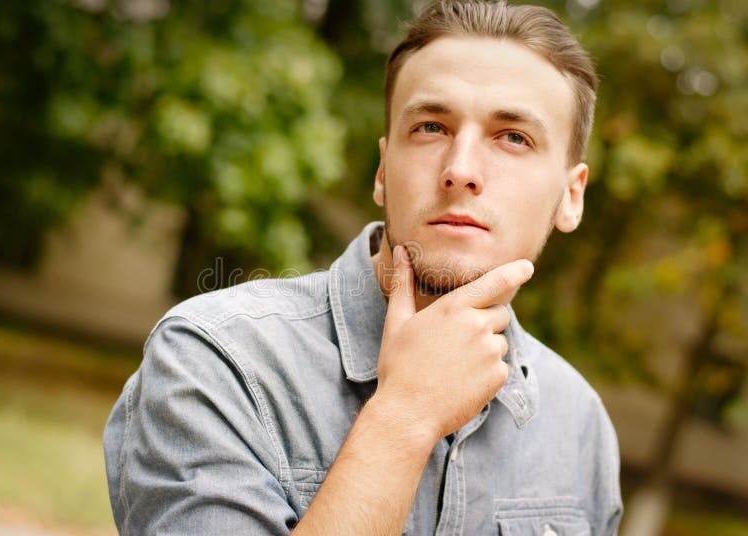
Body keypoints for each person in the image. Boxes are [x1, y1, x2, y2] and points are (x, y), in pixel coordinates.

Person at [103, 1, 623, 534]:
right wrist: (404, 417)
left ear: (571, 196)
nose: (461, 170)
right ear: (381, 170)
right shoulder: (215, 361)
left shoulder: (579, 424)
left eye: (513, 137)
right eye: (430, 127)